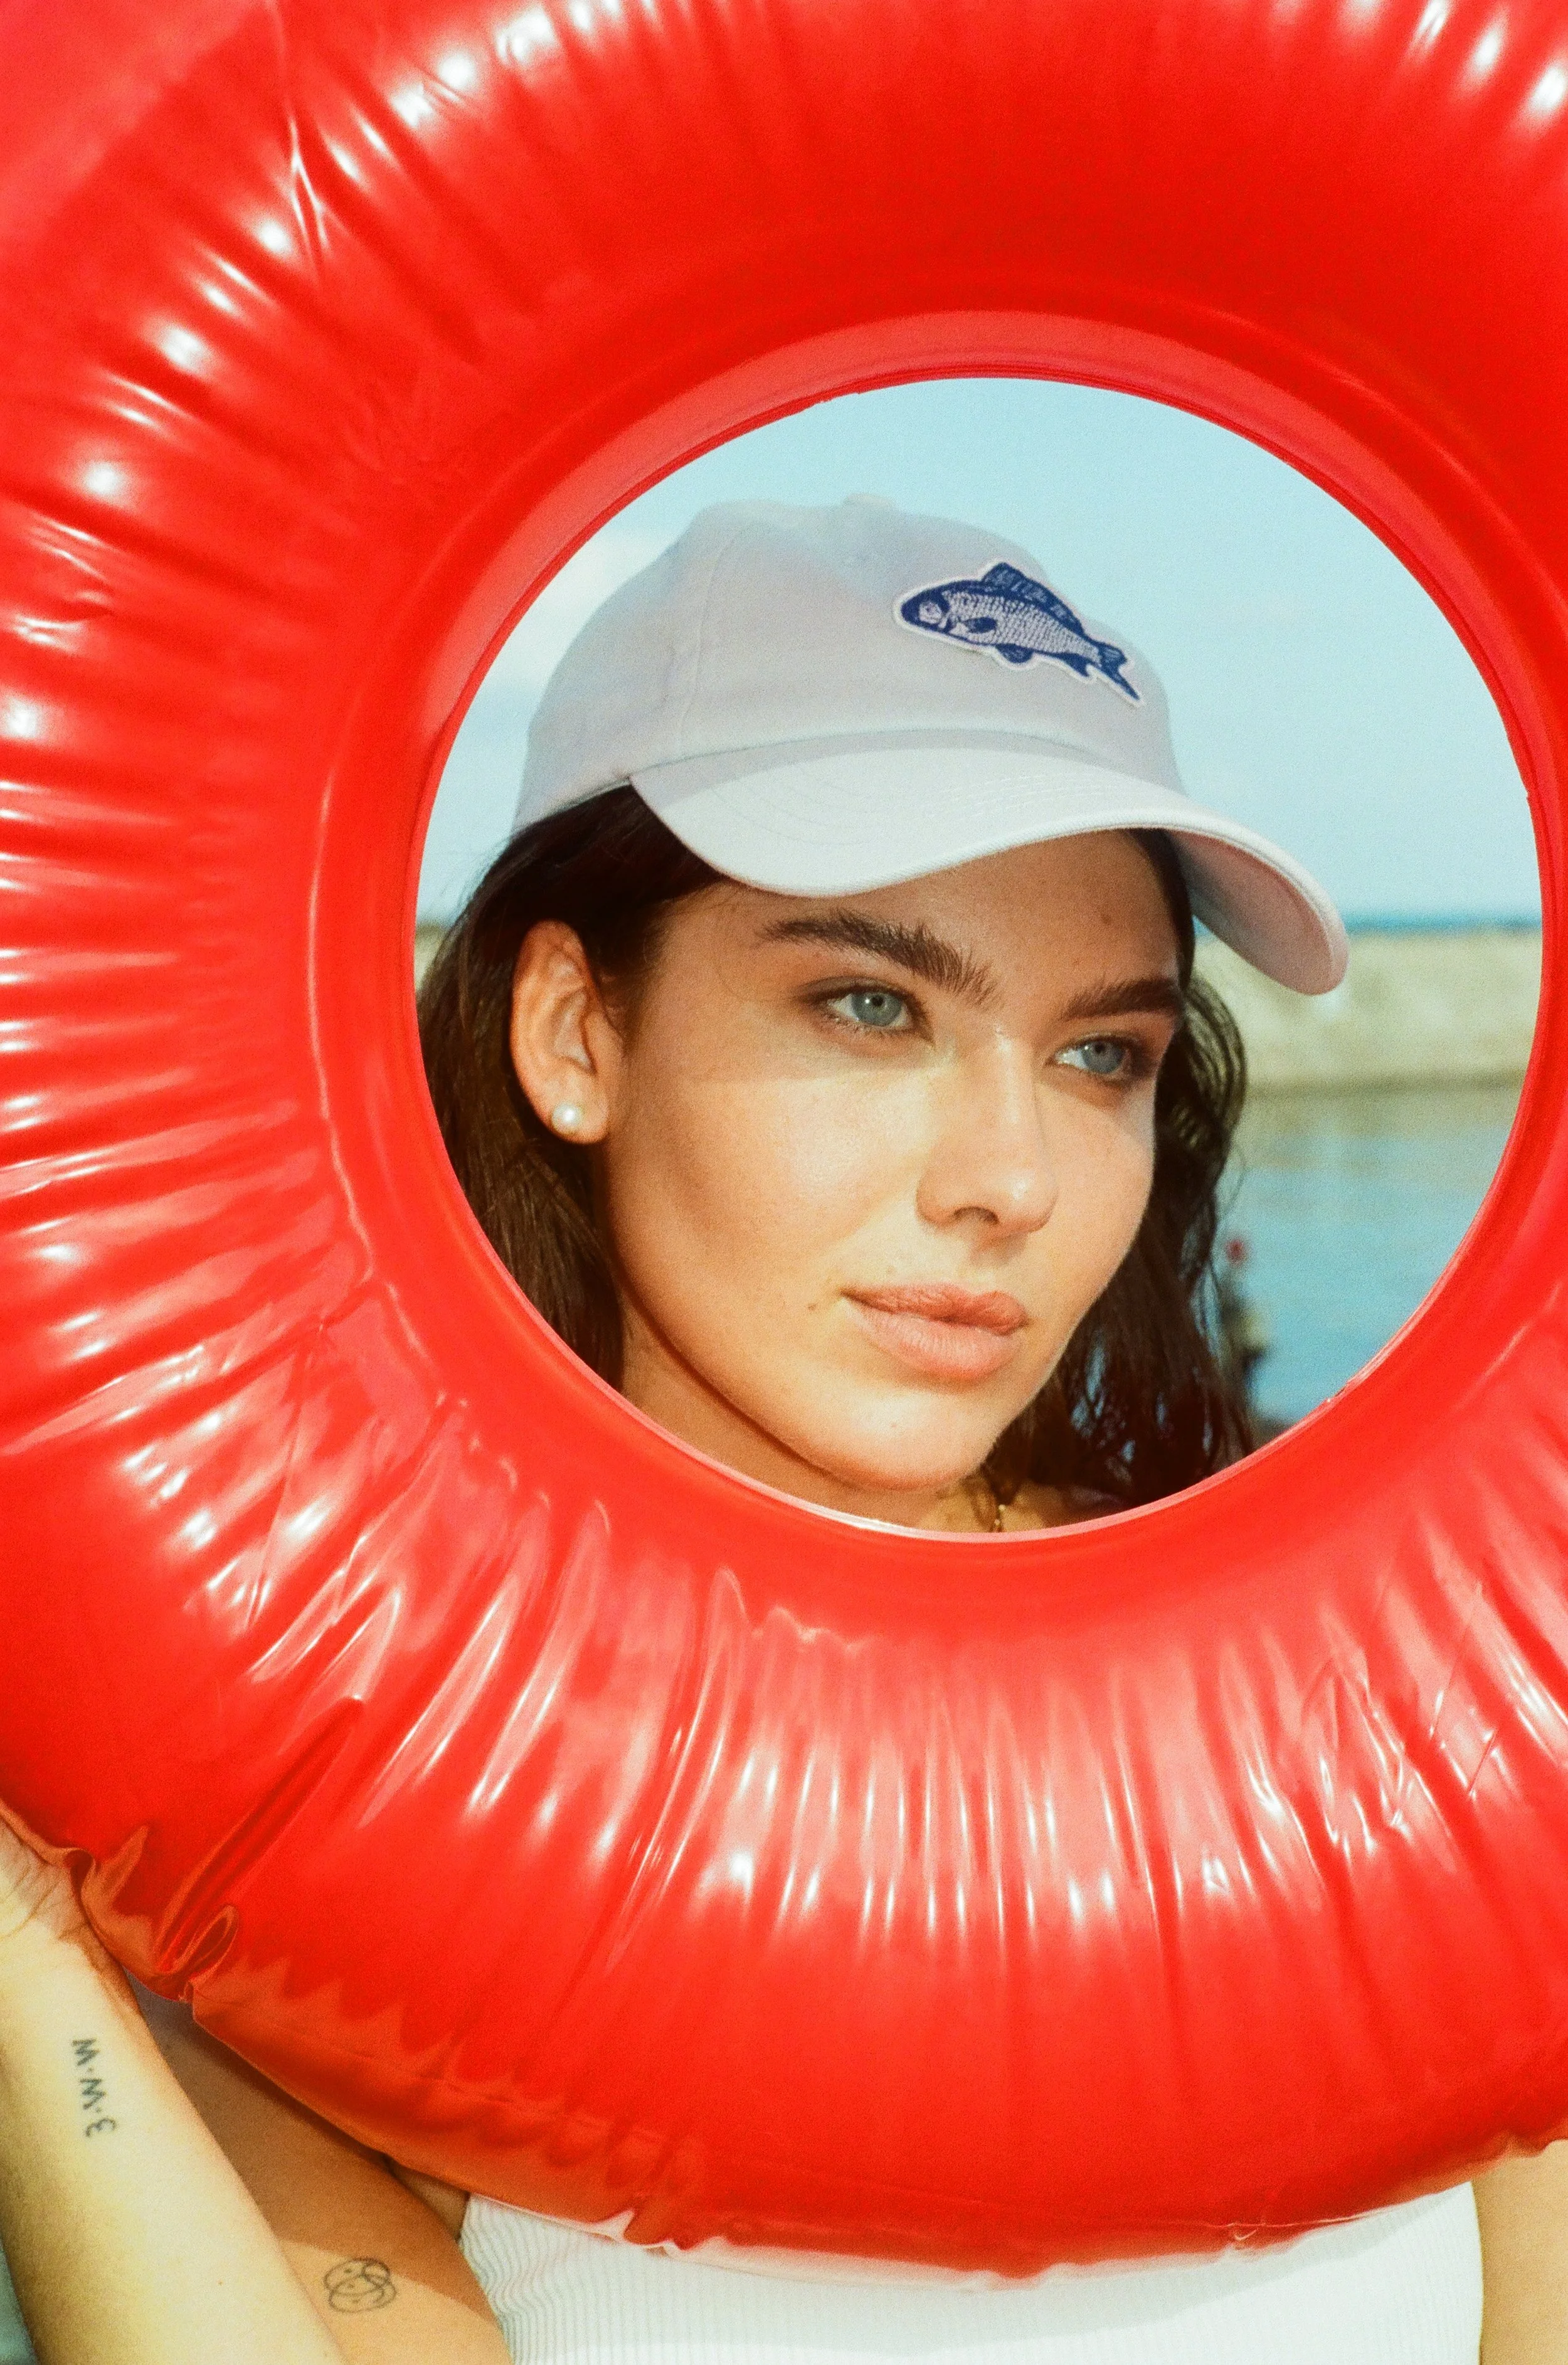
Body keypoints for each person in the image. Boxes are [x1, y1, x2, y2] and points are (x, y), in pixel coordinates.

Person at [1, 499, 1558, 2361]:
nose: (1007, 1180)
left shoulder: (1373, 1712)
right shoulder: (361, 1791)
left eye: (1100, 1055)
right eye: (868, 1004)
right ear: (576, 1030)